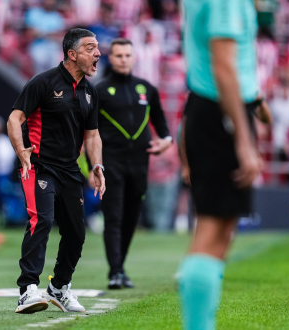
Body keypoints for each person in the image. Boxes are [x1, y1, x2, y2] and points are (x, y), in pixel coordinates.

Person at [7, 28, 105, 314]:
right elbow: (15, 119)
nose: (98, 53)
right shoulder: (44, 82)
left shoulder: (90, 91)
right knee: (42, 220)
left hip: (70, 170)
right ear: (72, 54)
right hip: (39, 166)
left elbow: (92, 136)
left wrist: (97, 165)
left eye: (97, 47)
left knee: (77, 232)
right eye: (90, 48)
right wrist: (20, 149)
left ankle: (59, 288)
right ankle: (27, 290)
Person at [179, 0, 261, 329]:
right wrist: (242, 137)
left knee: (220, 230)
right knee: (212, 231)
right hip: (219, 112)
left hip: (212, 110)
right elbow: (224, 66)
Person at [94, 38, 172, 289]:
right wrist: (92, 166)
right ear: (111, 58)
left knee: (131, 218)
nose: (123, 59)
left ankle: (120, 267)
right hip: (111, 162)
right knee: (114, 217)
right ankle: (115, 271)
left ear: (134, 57)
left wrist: (166, 141)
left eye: (128, 55)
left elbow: (161, 124)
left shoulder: (146, 89)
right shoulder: (100, 90)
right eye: (118, 55)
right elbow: (88, 132)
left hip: (140, 162)